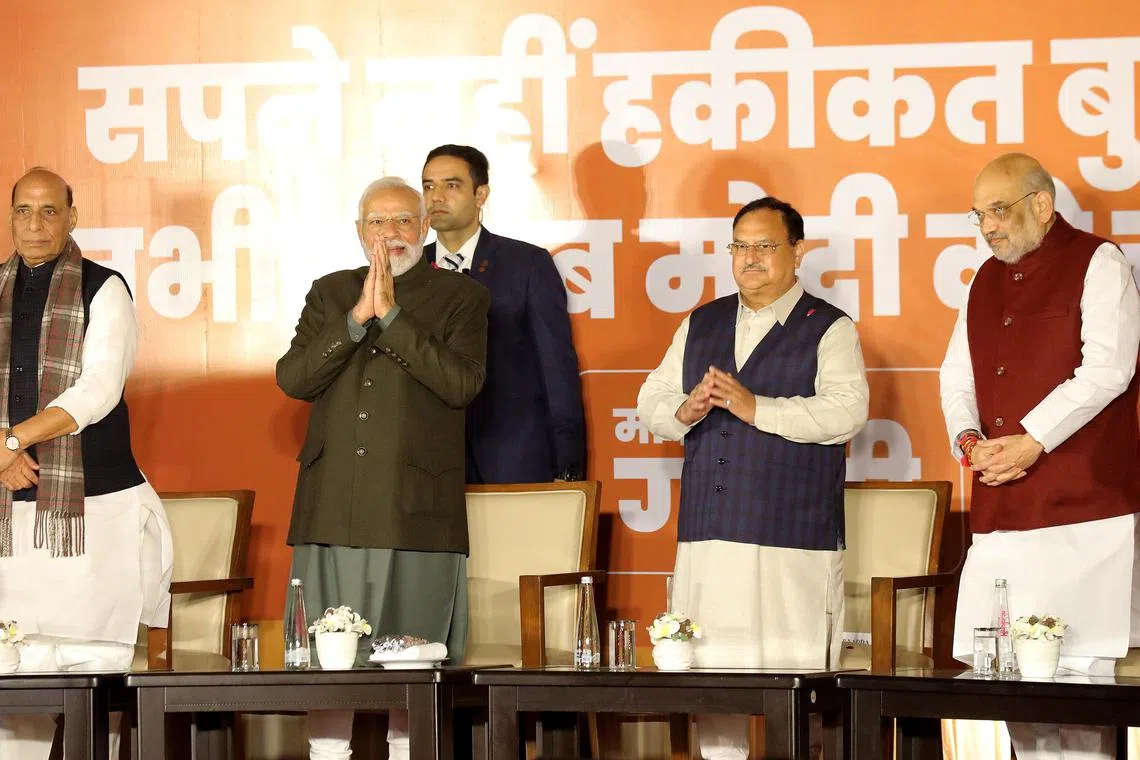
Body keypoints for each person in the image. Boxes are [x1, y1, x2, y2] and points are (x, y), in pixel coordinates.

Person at [637, 197, 868, 760]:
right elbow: (652, 400)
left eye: (765, 245)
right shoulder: (700, 322)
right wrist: (685, 411)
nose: (750, 258)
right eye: (740, 246)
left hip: (791, 539)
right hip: (708, 535)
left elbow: (847, 412)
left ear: (798, 252)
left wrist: (756, 407)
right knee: (713, 685)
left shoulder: (829, 327)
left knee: (796, 691)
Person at [276, 176, 489, 760]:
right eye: (377, 221)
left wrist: (392, 317)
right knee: (329, 663)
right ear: (358, 230)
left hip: (414, 511)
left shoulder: (461, 297)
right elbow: (294, 378)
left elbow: (461, 383)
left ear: (424, 228)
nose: (389, 234)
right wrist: (354, 322)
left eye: (402, 221)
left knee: (410, 671)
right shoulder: (329, 292)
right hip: (331, 508)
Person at [940, 153, 1140, 760]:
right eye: (979, 215)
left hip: (1084, 511)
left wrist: (1031, 440)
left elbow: (1109, 367)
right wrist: (972, 445)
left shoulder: (1099, 262)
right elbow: (956, 377)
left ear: (1042, 205)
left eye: (998, 210)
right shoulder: (981, 281)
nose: (988, 227)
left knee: (1080, 692)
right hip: (1002, 513)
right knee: (1013, 696)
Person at [0, 168, 173, 759]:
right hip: (9, 516)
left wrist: (11, 442)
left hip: (91, 513)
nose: (36, 224)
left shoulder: (104, 288)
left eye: (50, 211)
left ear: (73, 216)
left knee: (87, 678)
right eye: (24, 210)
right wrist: (3, 454)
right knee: (10, 681)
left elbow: (97, 389)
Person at [422, 144, 586, 483]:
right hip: (428, 465)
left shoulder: (527, 265)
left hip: (512, 460)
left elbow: (557, 372)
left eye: (451, 185)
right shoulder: (408, 271)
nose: (436, 196)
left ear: (481, 194)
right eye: (428, 186)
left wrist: (568, 466)